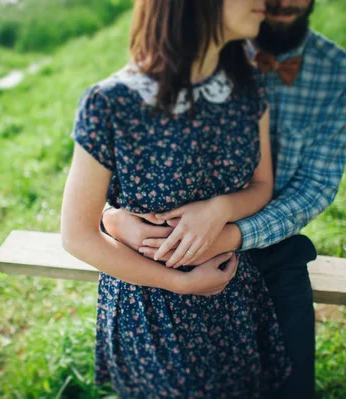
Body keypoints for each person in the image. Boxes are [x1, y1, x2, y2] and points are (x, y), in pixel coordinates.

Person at [102, 0, 346, 397]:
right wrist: (113, 216)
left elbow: (316, 186)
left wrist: (226, 231)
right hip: (171, 250)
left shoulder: (340, 74)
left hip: (271, 246)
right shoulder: (212, 42)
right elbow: (124, 156)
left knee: (290, 384)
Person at [61, 0, 295, 396]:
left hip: (233, 295)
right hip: (154, 309)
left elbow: (261, 186)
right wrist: (179, 283)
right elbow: (77, 236)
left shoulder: (248, 85)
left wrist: (219, 208)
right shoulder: (111, 103)